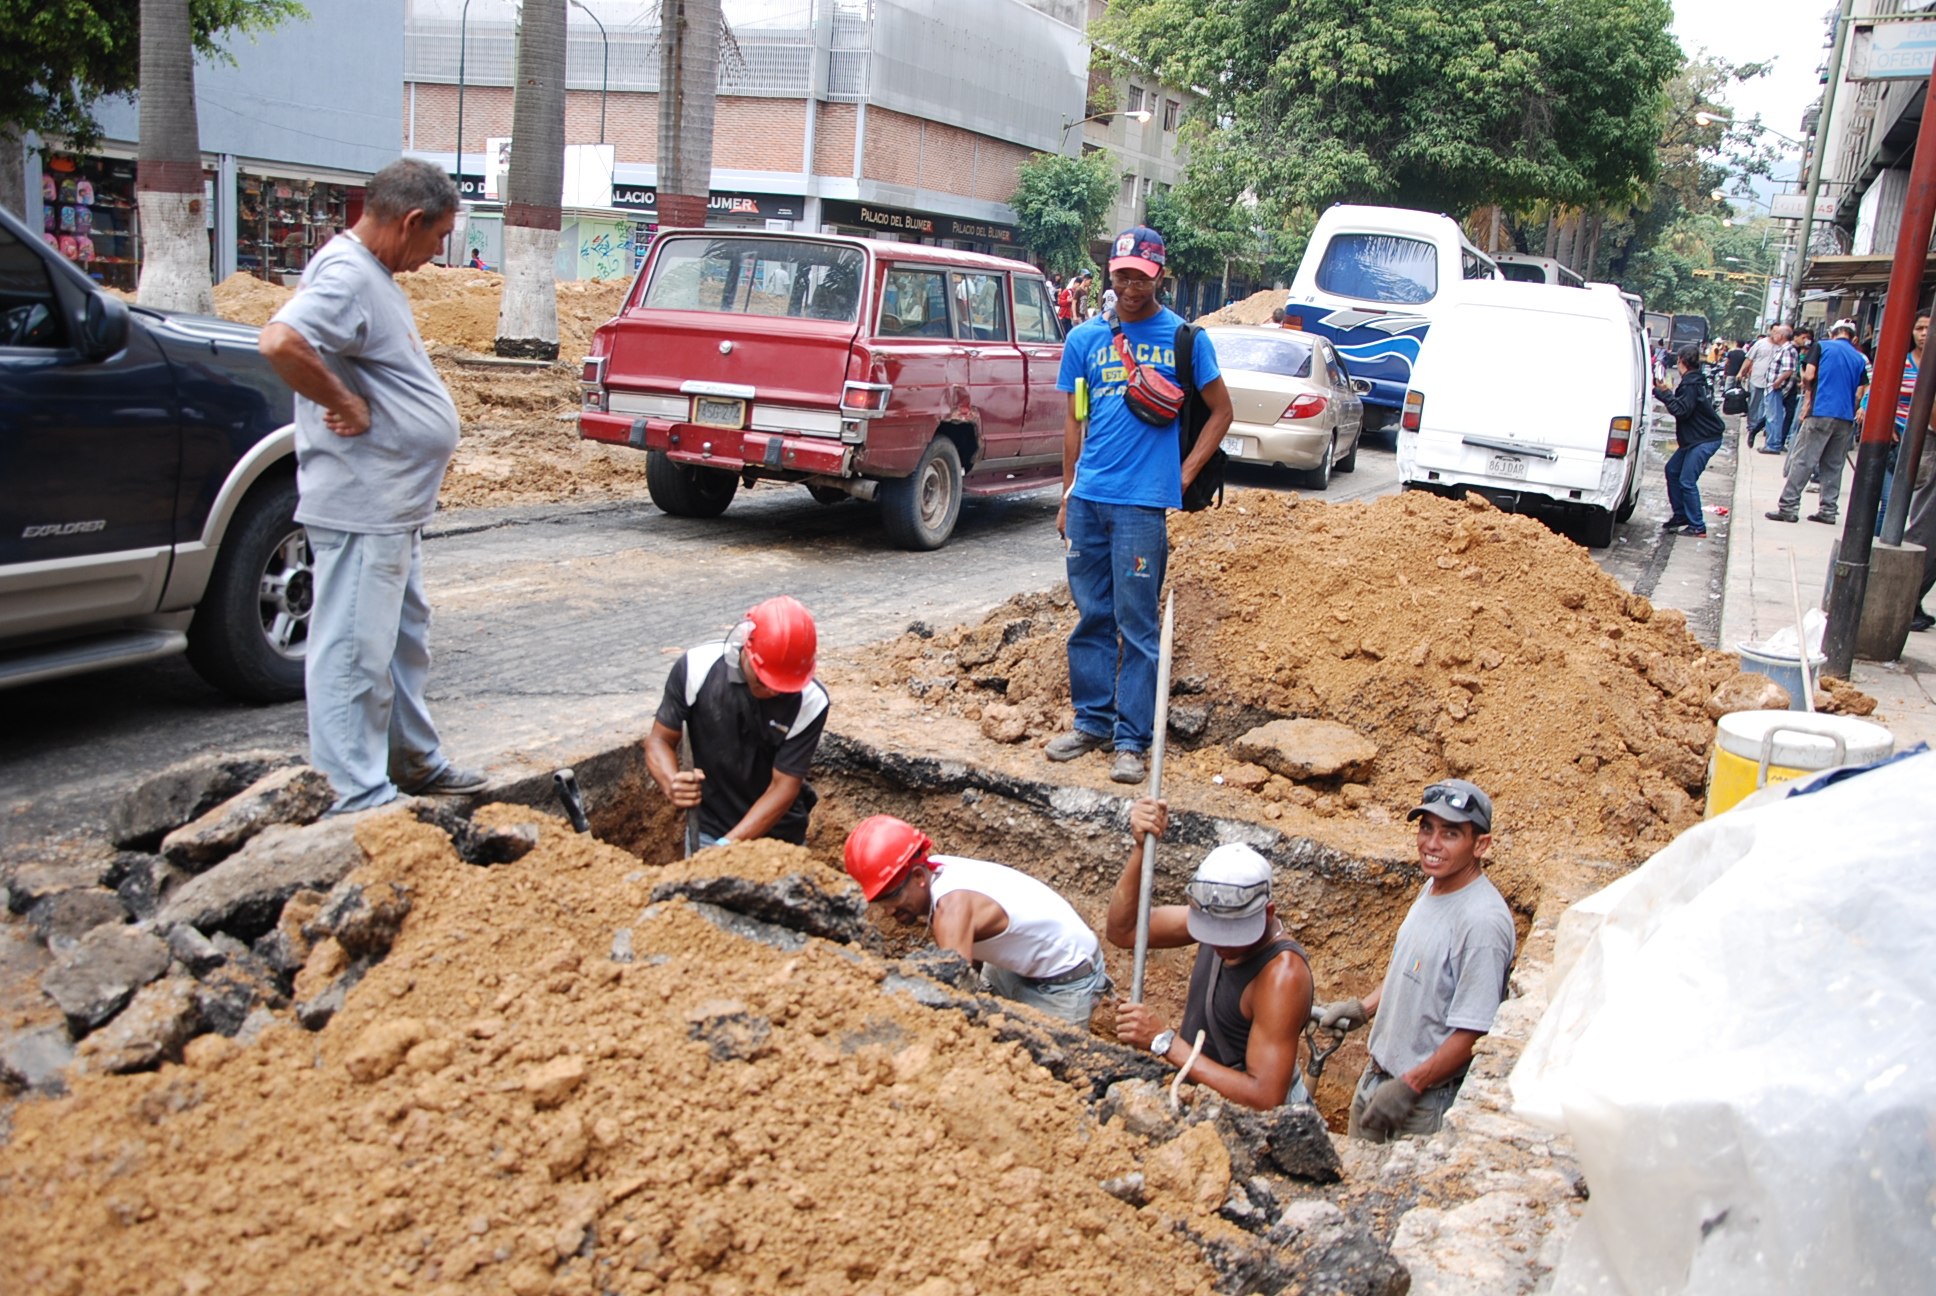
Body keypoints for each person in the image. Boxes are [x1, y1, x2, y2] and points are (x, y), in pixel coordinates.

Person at [258, 158, 485, 814]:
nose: (439, 253)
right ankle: (353, 791)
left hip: (393, 507)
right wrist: (344, 402)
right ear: (410, 221)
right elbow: (280, 341)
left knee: (402, 640)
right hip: (363, 502)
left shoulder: (374, 275)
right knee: (354, 649)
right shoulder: (347, 274)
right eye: (438, 237)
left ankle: (411, 759)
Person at [1049, 227, 1234, 784]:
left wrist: (1184, 473)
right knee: (1092, 616)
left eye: (1141, 276)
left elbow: (1222, 412)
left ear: (1160, 275)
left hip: (1140, 508)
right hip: (1088, 501)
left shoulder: (1185, 340)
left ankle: (1131, 740)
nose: (1130, 286)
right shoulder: (1084, 339)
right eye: (1122, 274)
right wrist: (1066, 492)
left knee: (1137, 624)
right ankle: (1092, 722)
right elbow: (1074, 422)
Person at [1318, 780, 1516, 1141]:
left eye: (1450, 833)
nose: (1432, 844)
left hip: (1420, 1102)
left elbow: (1475, 1028)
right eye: (1426, 828)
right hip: (1378, 1081)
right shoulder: (1434, 886)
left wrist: (1411, 1085)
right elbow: (1412, 968)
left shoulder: (1482, 922)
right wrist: (1363, 1008)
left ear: (1481, 845)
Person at [1107, 797, 1315, 1110]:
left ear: (1267, 912)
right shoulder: (1218, 916)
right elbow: (1123, 932)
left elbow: (1265, 1096)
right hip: (1206, 1092)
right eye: (1211, 931)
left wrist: (1165, 1042)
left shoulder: (1282, 975)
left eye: (1232, 934)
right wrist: (1140, 848)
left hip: (1257, 1121)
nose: (1220, 944)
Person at [844, 815, 1111, 1025]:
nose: (889, 911)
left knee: (1050, 1068)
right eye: (880, 902)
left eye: (892, 897)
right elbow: (966, 966)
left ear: (917, 877)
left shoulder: (951, 909)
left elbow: (951, 999)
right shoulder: (936, 868)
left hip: (1066, 978)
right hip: (1015, 962)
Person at [645, 596, 829, 848]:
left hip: (778, 843)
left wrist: (726, 848)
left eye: (782, 685)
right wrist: (671, 781)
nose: (774, 692)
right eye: (765, 680)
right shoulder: (697, 668)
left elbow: (783, 787)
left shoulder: (810, 701)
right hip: (707, 831)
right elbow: (660, 739)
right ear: (746, 650)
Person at [1767, 319, 1869, 526]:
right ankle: (1828, 511)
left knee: (1804, 460)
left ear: (1832, 333)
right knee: (1833, 465)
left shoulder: (1822, 346)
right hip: (1845, 417)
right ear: (1853, 337)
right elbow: (1861, 390)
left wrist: (1806, 385)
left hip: (1821, 410)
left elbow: (1810, 374)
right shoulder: (1859, 357)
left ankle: (1788, 507)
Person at [1654, 343, 1726, 537]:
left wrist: (1666, 393)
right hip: (1695, 439)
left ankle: (1697, 526)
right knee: (1672, 470)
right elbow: (1680, 406)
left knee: (1687, 480)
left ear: (1680, 361)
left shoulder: (1691, 384)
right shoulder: (1695, 381)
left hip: (1703, 439)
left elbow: (1681, 411)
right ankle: (1681, 515)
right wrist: (1661, 392)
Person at [1739, 324, 1789, 448]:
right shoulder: (1760, 344)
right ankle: (1752, 426)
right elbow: (1749, 359)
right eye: (1775, 331)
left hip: (1772, 383)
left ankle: (1762, 428)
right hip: (1757, 379)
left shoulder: (1783, 347)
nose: (1776, 334)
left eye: (1779, 332)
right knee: (1754, 404)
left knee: (1768, 408)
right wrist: (1742, 372)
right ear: (1770, 331)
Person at [1761, 326, 1799, 454]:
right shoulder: (1782, 349)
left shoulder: (1788, 349)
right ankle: (1772, 442)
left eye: (1776, 333)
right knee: (1772, 416)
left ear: (1781, 336)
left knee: (1774, 417)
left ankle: (1773, 444)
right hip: (1772, 387)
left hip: (1776, 388)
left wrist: (1778, 382)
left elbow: (1789, 369)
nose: (1774, 334)